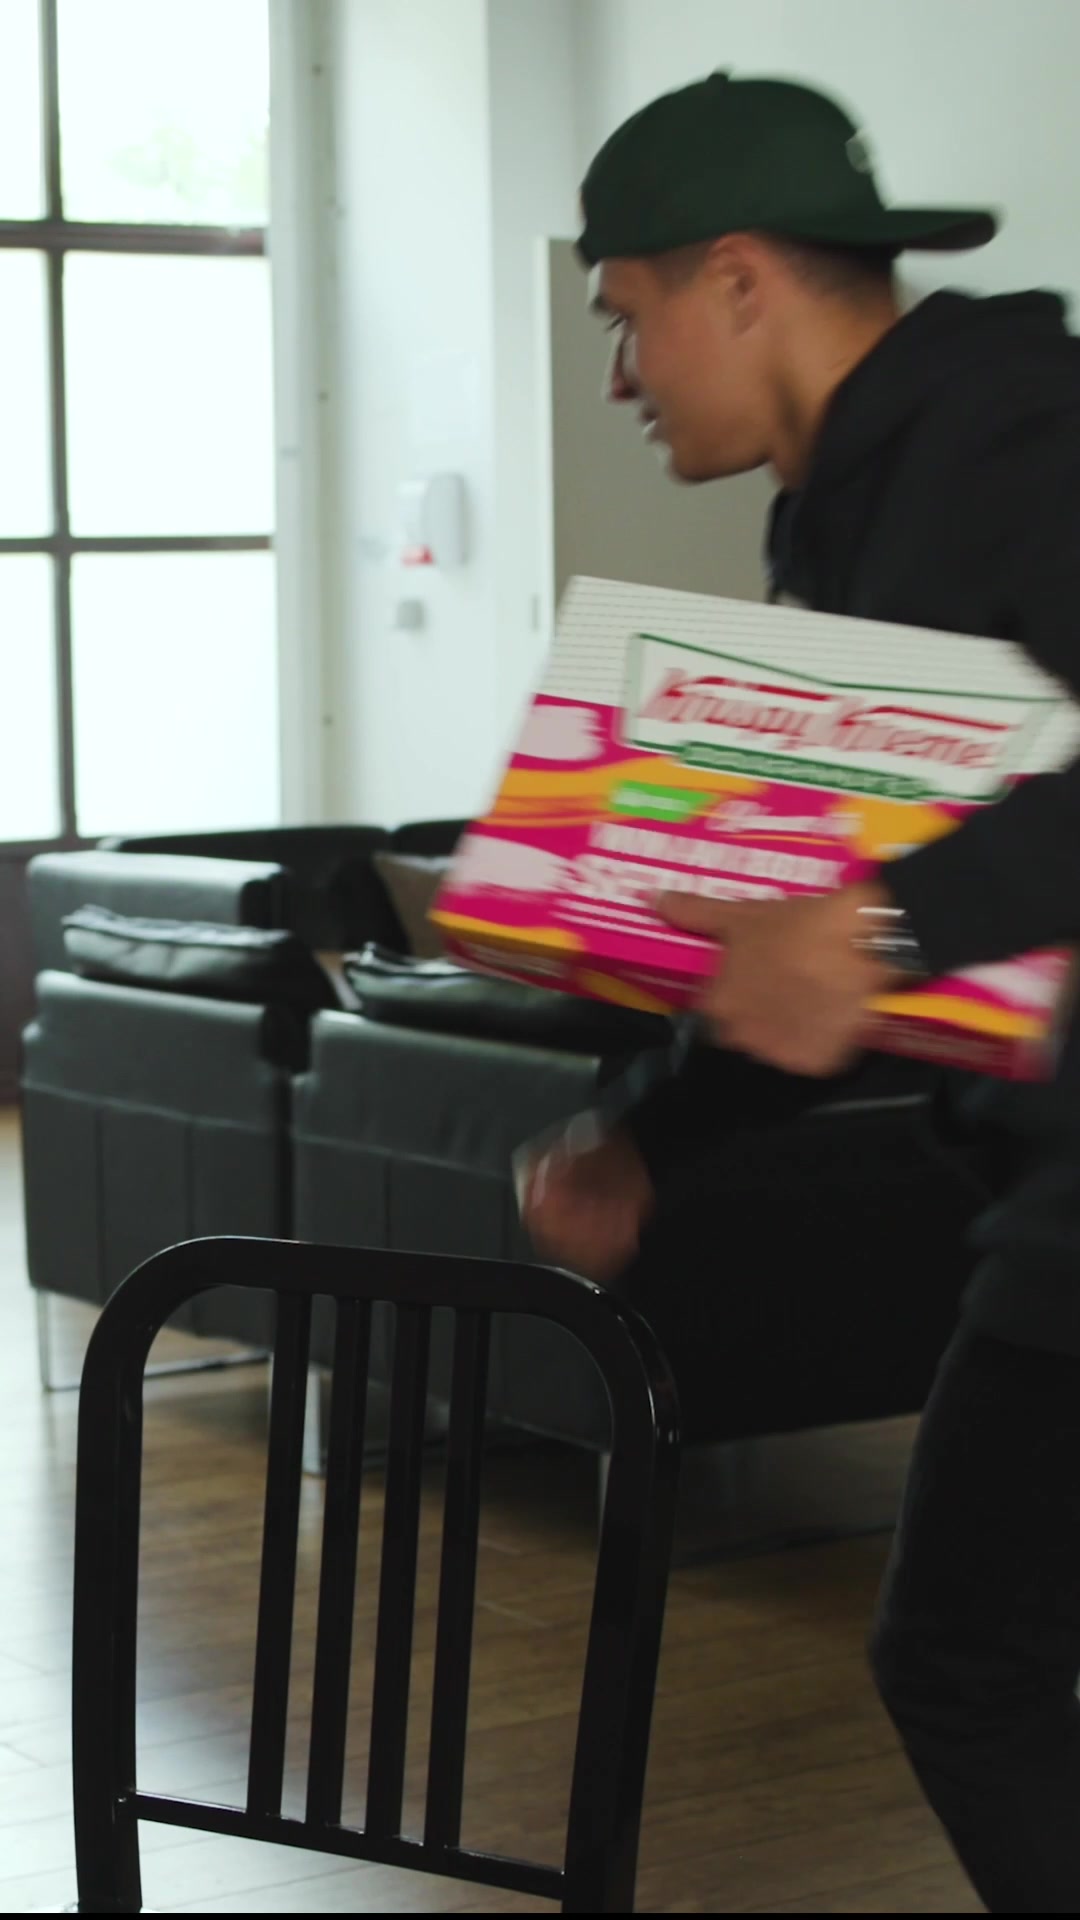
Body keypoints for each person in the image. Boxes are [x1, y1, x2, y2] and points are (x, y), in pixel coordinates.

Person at [522, 71, 1080, 1914]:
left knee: (964, 1663)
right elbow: (817, 955)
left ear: (739, 278)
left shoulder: (1022, 437)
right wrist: (649, 1136)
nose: (623, 375)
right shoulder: (832, 520)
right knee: (980, 1661)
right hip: (1044, 1181)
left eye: (626, 317)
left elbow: (873, 931)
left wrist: (889, 926)